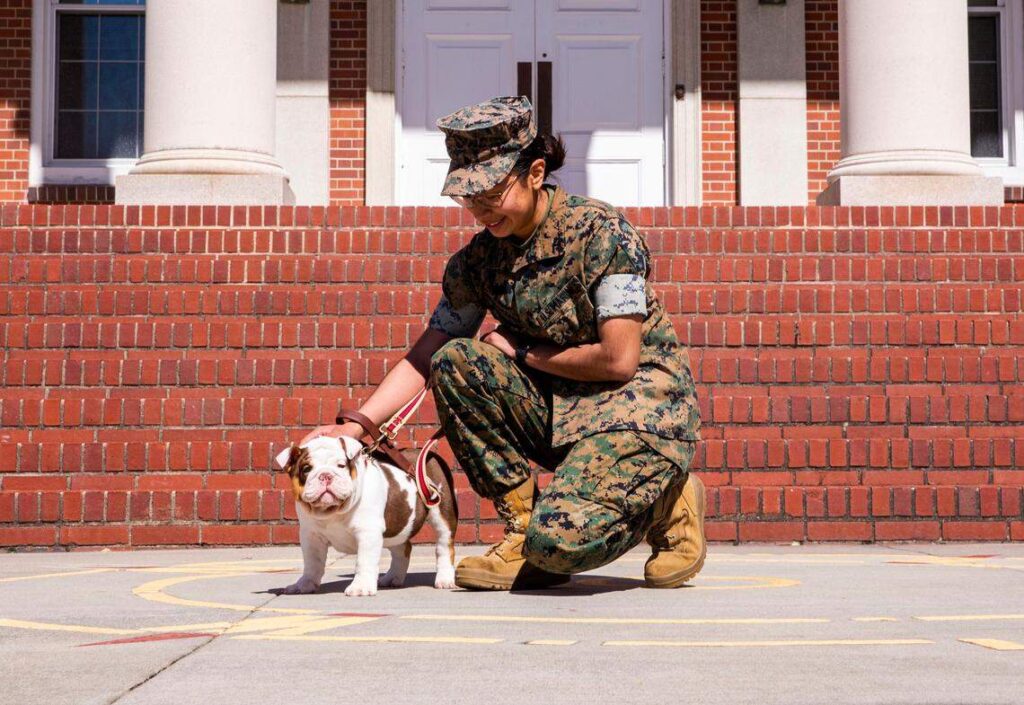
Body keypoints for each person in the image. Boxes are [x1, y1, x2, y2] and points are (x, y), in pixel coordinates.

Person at [301, 96, 703, 590]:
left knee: (558, 547)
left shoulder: (603, 234)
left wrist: (525, 352)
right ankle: (520, 531)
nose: (477, 208)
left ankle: (669, 499)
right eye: (466, 196)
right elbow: (430, 352)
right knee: (456, 361)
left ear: (535, 172)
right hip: (558, 414)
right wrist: (358, 427)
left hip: (638, 411)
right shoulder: (478, 262)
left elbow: (619, 361)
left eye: (489, 191)